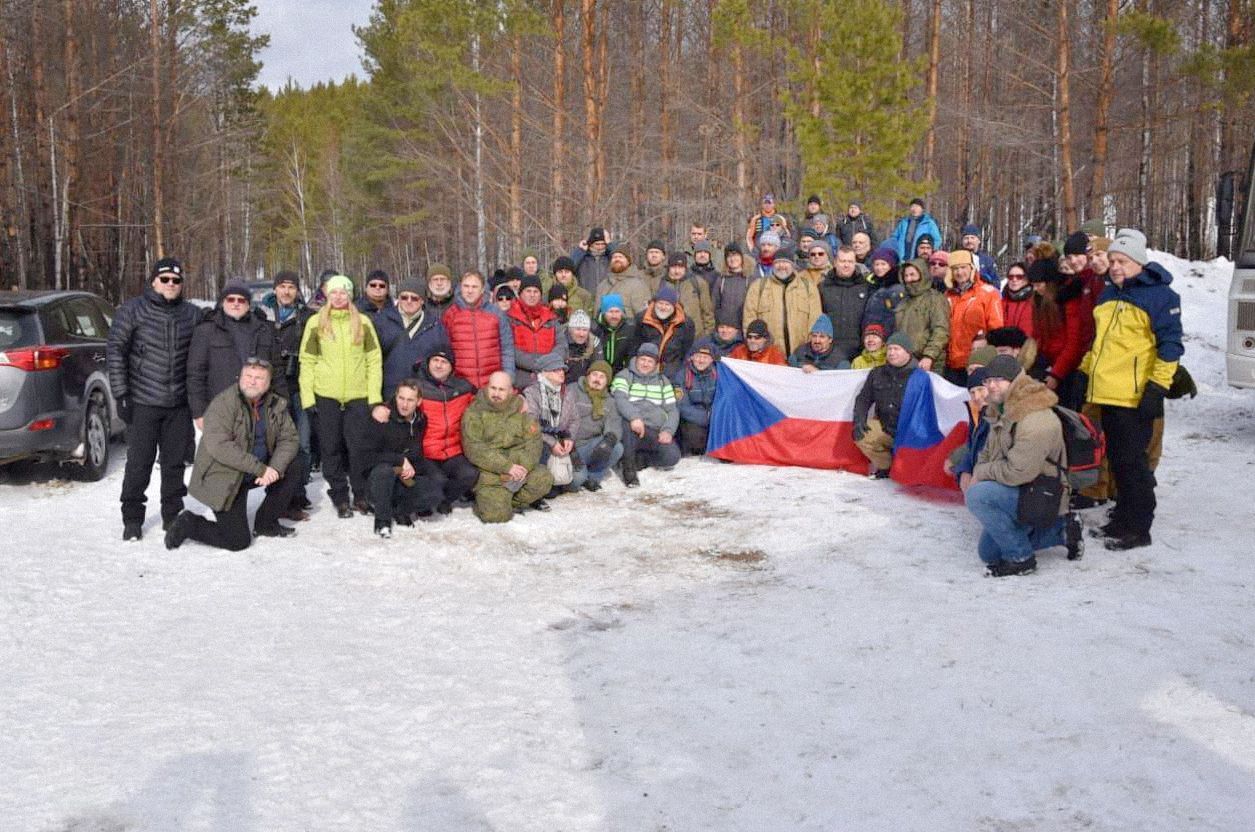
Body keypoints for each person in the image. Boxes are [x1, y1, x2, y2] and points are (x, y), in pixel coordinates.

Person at [1077, 228, 1182, 551]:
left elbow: (1170, 347)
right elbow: (1101, 345)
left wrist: (1156, 388)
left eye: (1122, 260)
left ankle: (1139, 527)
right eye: (1112, 261)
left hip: (1134, 396)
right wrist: (1084, 372)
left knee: (1134, 464)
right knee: (1117, 461)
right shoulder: (1108, 295)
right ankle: (1122, 517)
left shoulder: (1161, 296)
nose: (1115, 266)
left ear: (1138, 261)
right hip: (1105, 391)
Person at [107, 257, 202, 541]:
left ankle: (172, 514)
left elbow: (212, 337)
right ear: (153, 281)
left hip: (178, 404)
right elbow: (115, 351)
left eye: (176, 280)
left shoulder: (191, 314)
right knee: (139, 463)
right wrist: (121, 393)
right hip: (143, 402)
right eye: (165, 279)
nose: (170, 284)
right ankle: (132, 518)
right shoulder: (132, 311)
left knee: (174, 464)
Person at [164, 358, 300, 551]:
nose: (252, 381)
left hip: (255, 471)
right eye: (248, 376)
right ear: (240, 378)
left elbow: (289, 439)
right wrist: (260, 469)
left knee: (293, 465)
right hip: (225, 476)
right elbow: (220, 447)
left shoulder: (275, 404)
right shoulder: (224, 404)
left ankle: (265, 523)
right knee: (237, 541)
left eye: (259, 378)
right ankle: (190, 523)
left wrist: (275, 468)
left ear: (268, 383)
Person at [965, 355, 1084, 576]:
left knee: (978, 496)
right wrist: (980, 470)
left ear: (1015, 382)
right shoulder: (1000, 409)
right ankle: (1062, 531)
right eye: (988, 380)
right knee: (988, 553)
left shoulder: (1034, 417)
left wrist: (981, 474)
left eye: (999, 380)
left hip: (1044, 491)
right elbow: (987, 453)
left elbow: (1019, 472)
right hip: (1021, 489)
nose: (991, 386)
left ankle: (1020, 558)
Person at [298, 273, 384, 518]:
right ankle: (339, 495)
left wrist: (373, 396)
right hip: (326, 395)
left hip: (358, 395)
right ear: (327, 294)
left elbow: (374, 360)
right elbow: (308, 360)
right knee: (330, 447)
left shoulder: (364, 323)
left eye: (343, 292)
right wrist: (308, 398)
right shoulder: (316, 323)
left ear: (350, 295)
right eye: (333, 292)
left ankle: (360, 494)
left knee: (358, 448)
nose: (338, 297)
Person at [188, 279, 285, 429]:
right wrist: (199, 412)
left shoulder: (263, 330)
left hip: (258, 409)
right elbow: (195, 374)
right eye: (231, 299)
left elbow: (277, 370)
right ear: (223, 302)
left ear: (248, 304)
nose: (236, 303)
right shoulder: (206, 330)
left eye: (241, 300)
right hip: (220, 408)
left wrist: (282, 404)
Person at [461, 370, 554, 522]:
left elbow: (534, 442)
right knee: (496, 516)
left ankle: (510, 502)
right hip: (491, 474)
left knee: (543, 478)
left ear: (511, 391)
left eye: (501, 389)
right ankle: (493, 502)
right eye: (493, 388)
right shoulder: (474, 413)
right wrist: (506, 467)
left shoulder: (521, 410)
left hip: (520, 470)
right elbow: (474, 448)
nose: (496, 393)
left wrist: (521, 468)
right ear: (487, 387)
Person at [360, 379, 447, 537]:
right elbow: (366, 456)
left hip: (402, 476)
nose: (404, 404)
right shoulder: (383, 417)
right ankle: (383, 522)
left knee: (436, 487)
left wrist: (413, 468)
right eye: (401, 398)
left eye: (410, 400)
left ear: (418, 401)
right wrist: (400, 460)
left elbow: (415, 452)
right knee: (384, 471)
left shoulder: (420, 420)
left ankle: (399, 510)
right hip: (378, 477)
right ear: (396, 396)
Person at [262, 270, 315, 516]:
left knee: (302, 444)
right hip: (270, 389)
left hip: (299, 387)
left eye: (291, 287)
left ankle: (298, 492)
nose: (286, 291)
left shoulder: (307, 317)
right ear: (275, 289)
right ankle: (279, 494)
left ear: (297, 291)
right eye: (282, 286)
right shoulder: (261, 315)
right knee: (277, 444)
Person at [413, 350, 480, 509]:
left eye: (444, 362)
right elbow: (398, 405)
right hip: (426, 452)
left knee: (470, 475)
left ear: (451, 367)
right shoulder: (416, 386)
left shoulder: (463, 387)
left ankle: (445, 500)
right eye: (435, 360)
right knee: (437, 480)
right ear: (428, 363)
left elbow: (484, 402)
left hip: (453, 451)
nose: (438, 365)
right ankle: (427, 500)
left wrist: (517, 399)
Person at [612, 342, 681, 487]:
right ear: (636, 359)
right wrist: (634, 417)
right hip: (630, 427)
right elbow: (620, 399)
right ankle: (629, 471)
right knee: (626, 425)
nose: (645, 364)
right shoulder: (624, 376)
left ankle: (641, 459)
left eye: (650, 361)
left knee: (672, 457)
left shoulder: (664, 382)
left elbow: (672, 409)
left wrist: (668, 430)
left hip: (652, 430)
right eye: (642, 359)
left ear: (655, 364)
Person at [852, 332, 918, 478]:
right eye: (889, 349)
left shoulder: (919, 376)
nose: (892, 353)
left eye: (896, 349)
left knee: (909, 471)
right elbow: (863, 399)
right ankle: (886, 466)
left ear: (907, 352)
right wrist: (859, 420)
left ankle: (903, 465)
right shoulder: (877, 373)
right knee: (862, 435)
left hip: (909, 435)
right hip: (886, 429)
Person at [1027, 257, 1090, 410]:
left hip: (1068, 370)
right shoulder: (1038, 301)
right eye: (1033, 285)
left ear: (1049, 283)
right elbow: (1038, 336)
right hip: (1049, 363)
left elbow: (1073, 343)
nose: (1036, 289)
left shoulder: (1068, 300)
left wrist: (1057, 374)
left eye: (1039, 285)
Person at [376, 277, 451, 400]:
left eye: (414, 298)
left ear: (422, 300)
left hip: (425, 394)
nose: (409, 301)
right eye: (404, 297)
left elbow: (444, 360)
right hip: (390, 393)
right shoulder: (382, 321)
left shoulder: (435, 326)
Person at [742, 249, 824, 357]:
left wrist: (809, 350)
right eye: (777, 262)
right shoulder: (758, 287)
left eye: (785, 262)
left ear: (792, 265)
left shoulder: (808, 287)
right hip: (768, 356)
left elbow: (816, 320)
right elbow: (749, 319)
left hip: (801, 356)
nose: (781, 266)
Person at [443, 270, 515, 389]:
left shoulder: (496, 313)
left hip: (492, 385)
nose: (470, 291)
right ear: (460, 288)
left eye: (474, 287)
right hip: (461, 385)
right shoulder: (451, 315)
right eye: (466, 286)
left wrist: (508, 379)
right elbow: (445, 351)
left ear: (482, 290)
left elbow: (507, 348)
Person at [522, 355, 584, 493]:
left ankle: (555, 481)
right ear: (544, 372)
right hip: (540, 443)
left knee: (578, 481)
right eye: (556, 370)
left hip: (562, 440)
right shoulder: (531, 393)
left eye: (562, 369)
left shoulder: (567, 392)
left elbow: (575, 419)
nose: (561, 373)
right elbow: (531, 425)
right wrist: (552, 443)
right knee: (549, 490)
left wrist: (569, 438)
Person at [944, 249, 1004, 386]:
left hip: (976, 362)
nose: (959, 273)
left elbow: (997, 329)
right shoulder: (947, 296)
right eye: (955, 269)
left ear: (972, 269)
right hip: (951, 363)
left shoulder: (988, 293)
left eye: (963, 267)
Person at [569, 360, 624, 491]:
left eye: (602, 377)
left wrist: (609, 440)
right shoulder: (572, 390)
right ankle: (581, 476)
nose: (597, 379)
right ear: (587, 376)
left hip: (589, 446)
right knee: (576, 482)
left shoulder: (610, 401)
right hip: (569, 447)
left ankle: (593, 477)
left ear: (607, 381)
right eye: (594, 375)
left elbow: (614, 425)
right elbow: (561, 422)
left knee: (616, 447)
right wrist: (570, 450)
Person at [891, 257, 951, 372]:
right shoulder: (903, 301)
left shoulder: (935, 299)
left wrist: (929, 356)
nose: (909, 279)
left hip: (929, 362)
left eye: (912, 274)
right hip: (904, 361)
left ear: (922, 274)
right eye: (906, 275)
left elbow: (941, 330)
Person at [508, 274, 566, 389]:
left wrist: (549, 364)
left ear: (540, 295)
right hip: (521, 377)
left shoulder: (551, 318)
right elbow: (510, 349)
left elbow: (561, 345)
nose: (532, 295)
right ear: (521, 294)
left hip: (550, 375)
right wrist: (538, 364)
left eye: (535, 291)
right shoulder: (511, 318)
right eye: (528, 291)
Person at [818, 245, 875, 361]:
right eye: (842, 261)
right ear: (835, 262)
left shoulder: (865, 287)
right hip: (829, 352)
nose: (846, 265)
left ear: (855, 263)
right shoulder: (823, 287)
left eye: (850, 261)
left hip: (859, 352)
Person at [631, 283, 695, 378]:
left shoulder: (686, 323)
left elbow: (686, 351)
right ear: (654, 303)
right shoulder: (642, 319)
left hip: (672, 371)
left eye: (667, 304)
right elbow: (634, 346)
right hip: (644, 369)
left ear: (674, 306)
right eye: (660, 303)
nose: (663, 307)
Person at [945, 367, 992, 492]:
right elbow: (972, 446)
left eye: (981, 390)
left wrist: (976, 474)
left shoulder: (998, 415)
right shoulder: (976, 412)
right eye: (972, 392)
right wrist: (965, 470)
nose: (976, 397)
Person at [673, 343, 718, 454]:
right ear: (691, 357)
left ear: (712, 359)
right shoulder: (681, 376)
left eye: (705, 357)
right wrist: (705, 418)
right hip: (692, 418)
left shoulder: (718, 375)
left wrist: (715, 416)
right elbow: (681, 405)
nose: (701, 361)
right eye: (698, 356)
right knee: (696, 439)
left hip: (714, 416)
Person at [657, 251, 715, 336]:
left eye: (680, 267)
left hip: (695, 337)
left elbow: (708, 313)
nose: (676, 271)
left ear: (685, 268)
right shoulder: (661, 284)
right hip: (669, 337)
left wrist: (706, 337)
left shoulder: (697, 283)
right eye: (673, 267)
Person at [594, 243, 651, 315]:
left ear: (628, 261)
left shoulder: (638, 286)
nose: (617, 259)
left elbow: (643, 316)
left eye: (621, 257)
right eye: (614, 257)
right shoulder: (602, 286)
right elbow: (596, 313)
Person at [889, 198, 942, 262]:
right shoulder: (904, 222)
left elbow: (937, 240)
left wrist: (927, 251)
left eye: (917, 206)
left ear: (922, 209)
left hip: (920, 259)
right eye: (912, 206)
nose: (914, 209)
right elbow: (894, 238)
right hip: (903, 258)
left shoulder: (929, 223)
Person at [594, 293, 636, 374]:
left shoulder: (629, 329)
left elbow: (631, 355)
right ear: (603, 312)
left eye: (617, 311)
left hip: (623, 373)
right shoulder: (595, 328)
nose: (614, 316)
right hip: (600, 372)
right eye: (610, 312)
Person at [712, 242, 750, 330]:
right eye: (729, 256)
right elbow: (714, 306)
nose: (732, 259)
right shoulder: (721, 280)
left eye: (735, 255)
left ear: (741, 257)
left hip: (743, 328)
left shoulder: (750, 279)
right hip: (725, 329)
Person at [571, 226, 611, 294]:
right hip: (586, 298)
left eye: (603, 244)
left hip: (608, 299)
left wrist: (610, 245)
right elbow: (570, 267)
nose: (600, 246)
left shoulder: (610, 257)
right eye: (597, 244)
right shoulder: (582, 258)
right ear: (591, 244)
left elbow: (623, 261)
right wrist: (580, 251)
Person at [564, 310, 601, 381]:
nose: (581, 334)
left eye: (585, 330)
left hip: (585, 384)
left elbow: (598, 366)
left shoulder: (593, 342)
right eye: (578, 329)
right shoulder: (561, 340)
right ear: (570, 330)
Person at [1001, 262, 1034, 337]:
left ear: (1027, 279)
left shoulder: (1035, 302)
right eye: (1010, 277)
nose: (1014, 279)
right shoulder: (1001, 303)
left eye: (1019, 277)